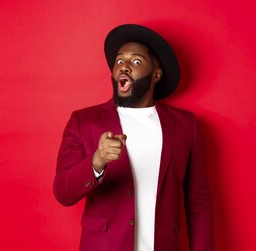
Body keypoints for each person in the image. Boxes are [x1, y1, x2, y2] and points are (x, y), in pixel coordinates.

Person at [53, 24, 213, 251]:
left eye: (136, 61)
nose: (124, 67)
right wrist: (96, 161)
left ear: (156, 75)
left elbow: (198, 202)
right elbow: (63, 193)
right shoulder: (83, 121)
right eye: (120, 61)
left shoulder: (186, 125)